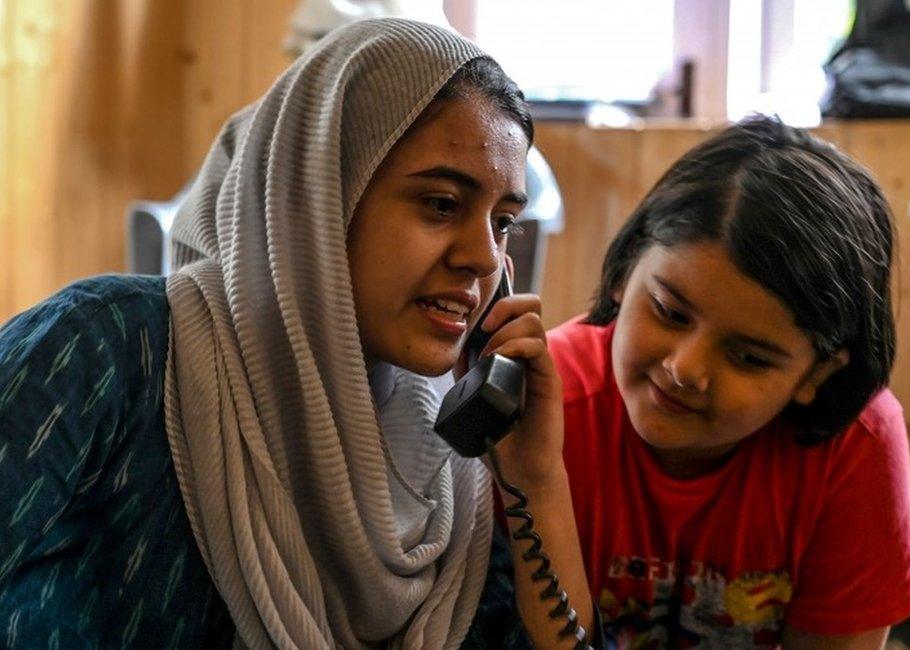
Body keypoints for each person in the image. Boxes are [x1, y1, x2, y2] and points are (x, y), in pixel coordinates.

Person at [0, 18, 594, 649]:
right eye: (441, 204)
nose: (483, 256)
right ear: (317, 198)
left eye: (504, 224)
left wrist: (538, 481)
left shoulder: (445, 466)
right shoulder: (102, 349)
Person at [549, 116, 910, 648]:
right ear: (625, 271)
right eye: (670, 313)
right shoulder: (546, 403)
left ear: (818, 374)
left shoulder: (855, 442)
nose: (685, 369)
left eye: (748, 357)